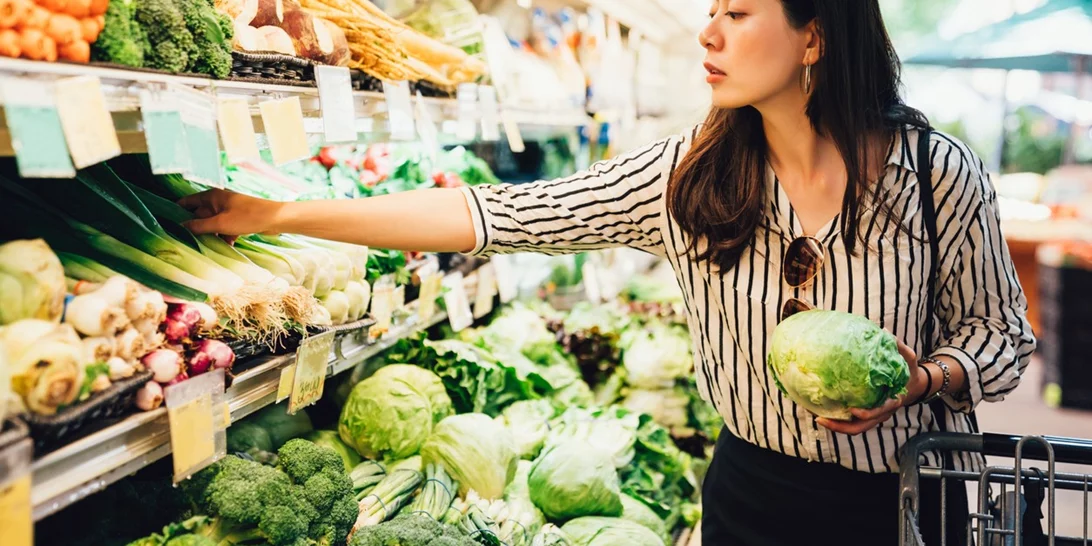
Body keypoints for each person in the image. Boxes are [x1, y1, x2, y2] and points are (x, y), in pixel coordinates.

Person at [180, 1, 1035, 544]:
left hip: (907, 503)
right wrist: (275, 215)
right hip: (754, 497)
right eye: (711, 10)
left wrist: (922, 376)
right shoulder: (687, 180)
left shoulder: (933, 173)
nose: (708, 32)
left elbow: (1001, 336)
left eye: (737, 12)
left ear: (814, 35)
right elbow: (493, 216)